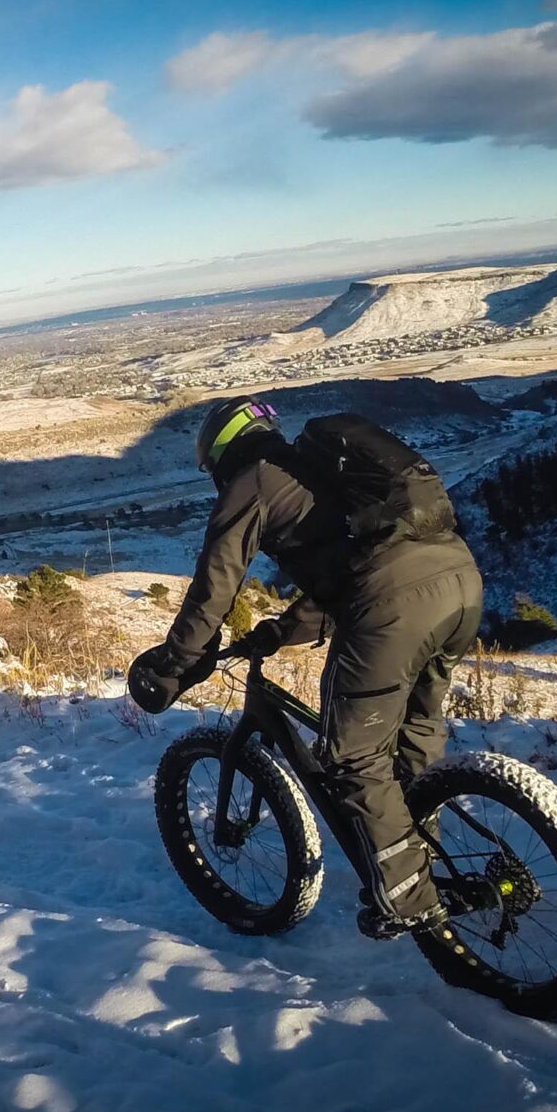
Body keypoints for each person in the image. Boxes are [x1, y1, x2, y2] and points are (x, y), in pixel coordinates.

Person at [127, 397, 482, 939]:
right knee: (414, 734)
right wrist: (276, 632)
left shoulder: (251, 483)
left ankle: (410, 900)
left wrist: (176, 665)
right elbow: (346, 573)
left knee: (353, 757)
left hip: (391, 603)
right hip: (460, 580)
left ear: (220, 455)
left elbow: (213, 590)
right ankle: (415, 858)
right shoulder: (314, 473)